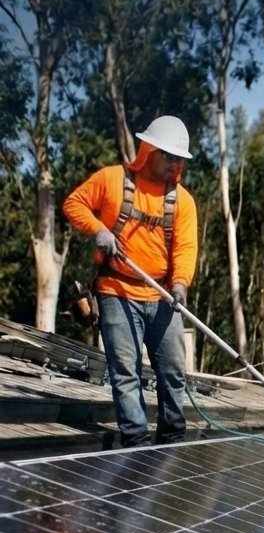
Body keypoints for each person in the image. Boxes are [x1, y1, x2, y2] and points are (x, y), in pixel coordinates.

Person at [63, 116, 197, 448]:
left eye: (180, 159)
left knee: (173, 373)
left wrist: (180, 284)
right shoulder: (111, 180)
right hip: (116, 290)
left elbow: (185, 247)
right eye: (169, 156)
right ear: (149, 150)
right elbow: (73, 204)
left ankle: (172, 440)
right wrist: (99, 230)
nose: (175, 164)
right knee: (125, 370)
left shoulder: (182, 201)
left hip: (163, 295)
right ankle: (136, 443)